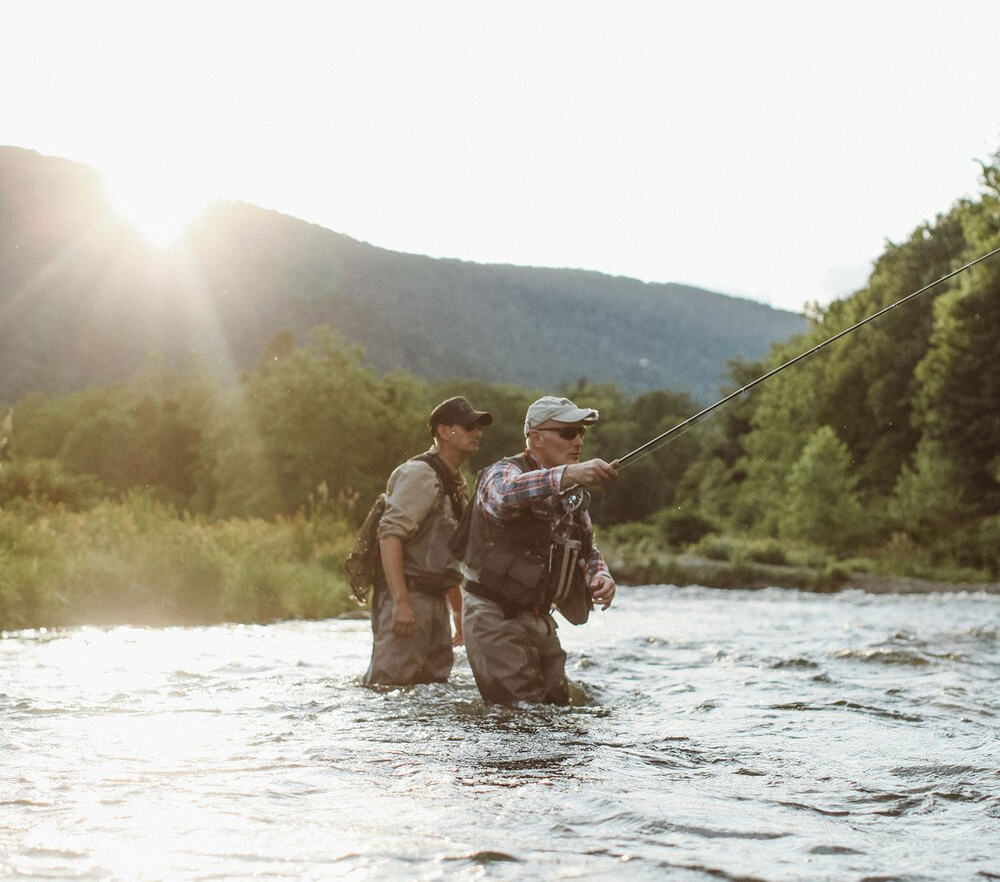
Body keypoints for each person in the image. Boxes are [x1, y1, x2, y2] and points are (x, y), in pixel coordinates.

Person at [459, 395, 618, 705]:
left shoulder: (570, 492)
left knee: (557, 707)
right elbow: (505, 495)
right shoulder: (501, 472)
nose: (579, 441)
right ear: (536, 438)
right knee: (520, 715)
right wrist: (570, 474)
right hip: (492, 615)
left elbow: (587, 548)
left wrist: (601, 576)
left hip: (537, 616)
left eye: (581, 433)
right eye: (569, 432)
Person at [363, 396, 493, 687]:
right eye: (469, 426)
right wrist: (401, 602)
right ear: (444, 431)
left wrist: (457, 611)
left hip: (434, 600)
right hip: (409, 597)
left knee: (433, 686)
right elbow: (390, 535)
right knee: (389, 686)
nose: (478, 433)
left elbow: (445, 552)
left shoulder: (454, 480)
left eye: (478, 427)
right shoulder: (420, 474)